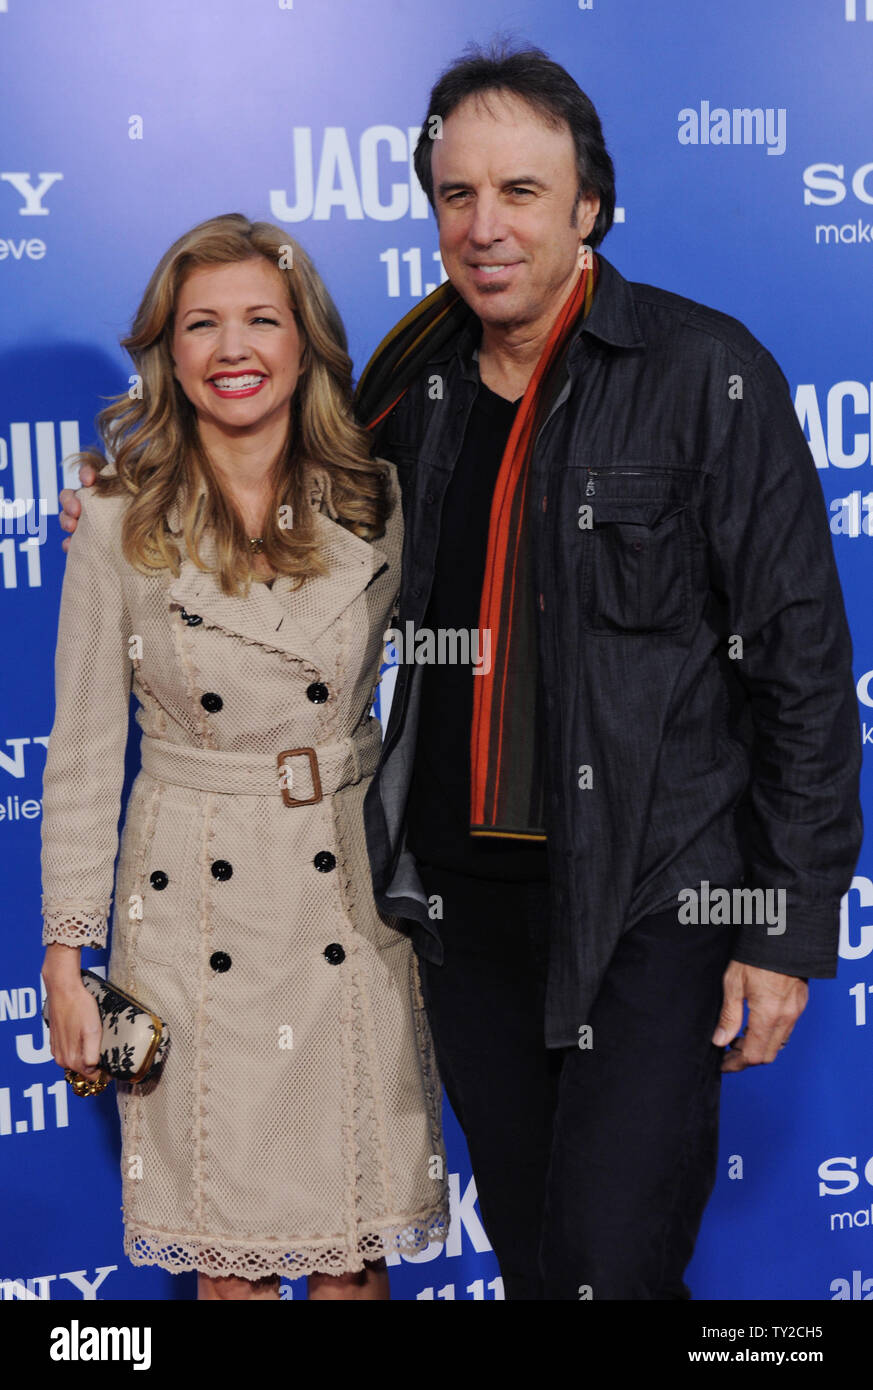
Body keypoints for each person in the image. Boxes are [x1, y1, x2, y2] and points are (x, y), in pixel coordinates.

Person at [62, 46, 863, 1301]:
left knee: (609, 1261)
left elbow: (805, 669)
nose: (485, 228)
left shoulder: (706, 377)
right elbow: (264, 461)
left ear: (590, 204)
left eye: (522, 193)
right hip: (461, 920)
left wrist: (784, 927)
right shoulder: (410, 391)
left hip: (649, 902)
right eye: (456, 195)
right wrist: (126, 499)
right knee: (545, 1262)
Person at [43, 212, 447, 1302]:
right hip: (191, 903)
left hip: (349, 894)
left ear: (306, 341)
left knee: (351, 1255)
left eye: (262, 319)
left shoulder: (382, 499)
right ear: (166, 352)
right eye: (202, 324)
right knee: (227, 1268)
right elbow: (81, 757)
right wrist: (63, 959)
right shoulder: (118, 523)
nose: (233, 349)